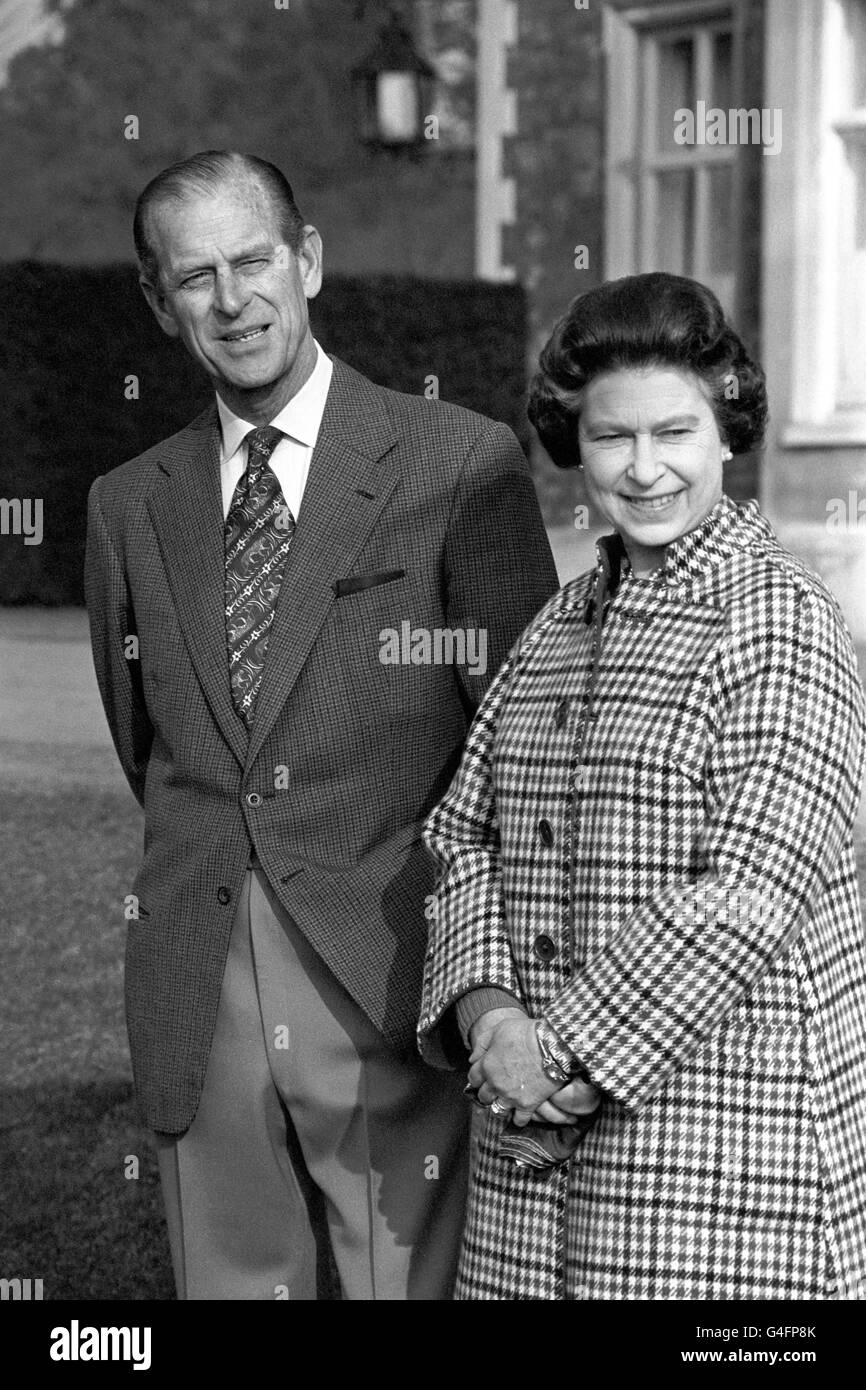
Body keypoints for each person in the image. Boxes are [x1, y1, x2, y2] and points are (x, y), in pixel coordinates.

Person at [85, 149, 558, 1301]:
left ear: (307, 261)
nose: (232, 300)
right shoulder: (127, 505)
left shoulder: (459, 464)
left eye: (253, 260)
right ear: (160, 304)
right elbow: (145, 741)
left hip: (392, 965)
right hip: (200, 976)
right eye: (195, 277)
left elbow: (525, 750)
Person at [418, 271, 866, 1301]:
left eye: (674, 432)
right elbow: (461, 835)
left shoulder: (781, 622)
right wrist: (490, 1023)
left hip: (722, 1165)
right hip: (533, 1177)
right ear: (577, 444)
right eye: (614, 437)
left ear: (725, 433)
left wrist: (551, 1052)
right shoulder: (557, 623)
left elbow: (746, 891)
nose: (645, 467)